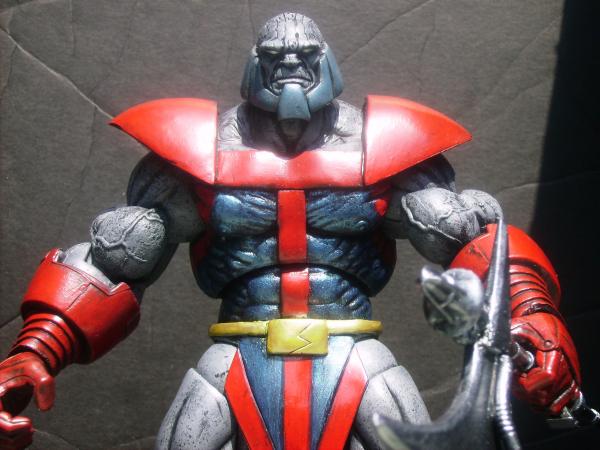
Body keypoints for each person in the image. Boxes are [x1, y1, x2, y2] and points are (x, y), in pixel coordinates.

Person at [0, 12, 582, 450]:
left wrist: (534, 321)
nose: (290, 70)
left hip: (356, 351)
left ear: (327, 62)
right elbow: (116, 256)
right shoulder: (199, 152)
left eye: (304, 57)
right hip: (235, 353)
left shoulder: (384, 148)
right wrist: (37, 350)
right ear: (253, 64)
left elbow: (472, 241)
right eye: (276, 58)